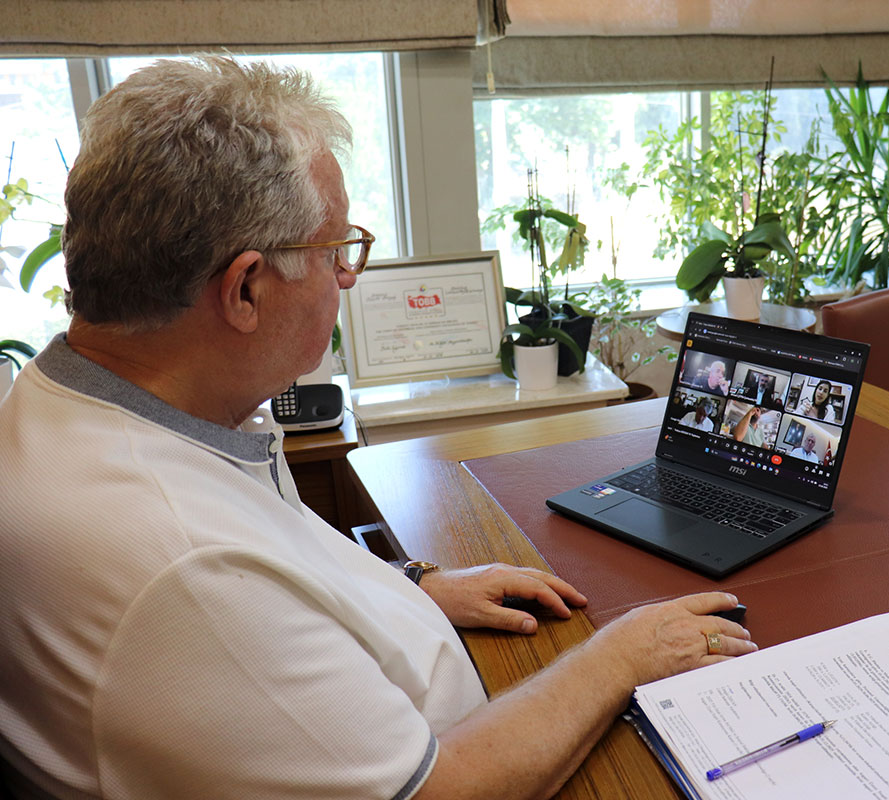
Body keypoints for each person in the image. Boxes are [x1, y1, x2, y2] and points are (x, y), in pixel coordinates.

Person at [0, 57, 757, 800]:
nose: (349, 276)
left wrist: (410, 589)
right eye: (335, 252)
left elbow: (271, 569)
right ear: (245, 290)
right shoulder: (181, 566)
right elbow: (440, 789)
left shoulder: (94, 404)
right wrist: (619, 657)